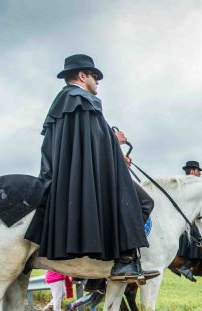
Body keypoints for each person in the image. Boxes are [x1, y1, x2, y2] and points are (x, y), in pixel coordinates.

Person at [24, 54, 158, 281]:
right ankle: (125, 261)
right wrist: (116, 141)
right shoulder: (83, 99)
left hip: (69, 176)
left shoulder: (61, 104)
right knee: (144, 202)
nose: (97, 82)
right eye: (94, 76)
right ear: (82, 75)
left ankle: (95, 274)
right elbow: (96, 141)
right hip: (89, 177)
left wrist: (116, 158)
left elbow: (83, 148)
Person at [176, 161, 202, 282]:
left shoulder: (183, 184)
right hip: (189, 219)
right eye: (198, 170)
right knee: (201, 243)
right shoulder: (191, 185)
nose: (200, 173)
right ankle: (186, 267)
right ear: (192, 171)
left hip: (186, 218)